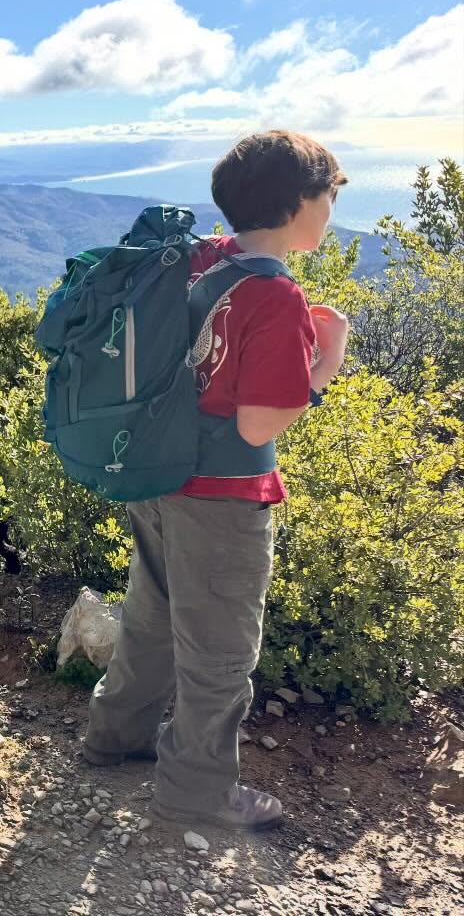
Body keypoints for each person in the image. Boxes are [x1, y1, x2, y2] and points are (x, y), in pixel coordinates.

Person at [81, 130, 351, 831]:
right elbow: (261, 425)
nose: (331, 209)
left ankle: (113, 736)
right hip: (224, 497)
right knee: (222, 650)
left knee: (152, 616)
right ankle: (198, 791)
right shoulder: (275, 296)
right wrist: (326, 361)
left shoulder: (203, 259)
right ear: (297, 204)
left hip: (157, 473)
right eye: (328, 196)